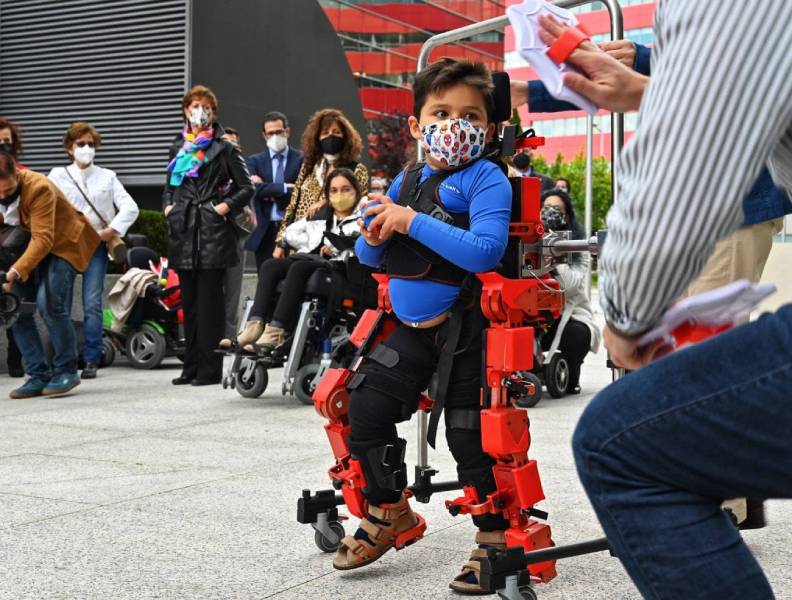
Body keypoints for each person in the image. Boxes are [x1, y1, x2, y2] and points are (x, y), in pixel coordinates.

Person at [533, 7, 792, 599]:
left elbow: (701, 137)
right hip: (727, 212)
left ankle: (715, 501)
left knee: (626, 442)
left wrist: (625, 311)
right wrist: (653, 77)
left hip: (726, 218)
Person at [328, 58, 513, 596]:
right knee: (364, 409)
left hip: (467, 328)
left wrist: (408, 220)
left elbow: (485, 251)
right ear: (416, 124)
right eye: (441, 112)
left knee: (469, 434)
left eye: (471, 115)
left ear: (491, 126)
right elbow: (368, 256)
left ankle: (496, 539)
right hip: (409, 327)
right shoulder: (407, 178)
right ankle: (390, 512)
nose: (456, 124)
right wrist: (374, 224)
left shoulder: (485, 178)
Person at [162, 85, 254, 386]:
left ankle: (209, 369)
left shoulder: (224, 147)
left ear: (213, 112)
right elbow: (170, 185)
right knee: (188, 305)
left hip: (213, 231)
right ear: (185, 111)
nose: (199, 111)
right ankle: (189, 367)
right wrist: (167, 208)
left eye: (205, 106)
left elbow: (246, 187)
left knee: (210, 305)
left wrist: (223, 207)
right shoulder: (179, 146)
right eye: (193, 106)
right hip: (184, 230)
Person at [220, 167, 363, 353]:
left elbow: (361, 242)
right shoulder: (319, 213)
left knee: (299, 267)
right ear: (327, 194)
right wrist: (310, 243)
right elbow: (290, 233)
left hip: (340, 265)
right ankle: (254, 326)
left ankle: (277, 330)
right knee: (270, 265)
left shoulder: (361, 216)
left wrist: (334, 247)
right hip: (312, 257)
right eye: (334, 190)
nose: (340, 195)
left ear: (356, 191)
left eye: (346, 189)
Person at [0, 151, 100, 398]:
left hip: (62, 243)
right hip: (25, 246)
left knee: (50, 304)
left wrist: (12, 274)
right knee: (16, 310)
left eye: (7, 190)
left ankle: (66, 370)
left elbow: (43, 239)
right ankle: (37, 375)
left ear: (17, 175)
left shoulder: (38, 187)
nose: (3, 196)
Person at [48, 122, 139, 379]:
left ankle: (91, 358)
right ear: (69, 148)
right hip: (66, 247)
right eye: (81, 144)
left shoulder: (107, 176)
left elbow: (130, 207)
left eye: (90, 144)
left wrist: (110, 231)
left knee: (91, 304)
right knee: (60, 304)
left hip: (96, 246)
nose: (87, 148)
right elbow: (47, 209)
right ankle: (63, 359)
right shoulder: (56, 176)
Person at [274, 108, 368, 258]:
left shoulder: (356, 169)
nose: (330, 136)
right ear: (317, 138)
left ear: (346, 137)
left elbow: (357, 207)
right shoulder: (309, 166)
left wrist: (325, 202)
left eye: (336, 132)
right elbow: (293, 204)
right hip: (298, 240)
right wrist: (280, 242)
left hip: (328, 246)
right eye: (325, 133)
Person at [540, 189, 600, 394]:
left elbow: (570, 285)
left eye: (556, 209)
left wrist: (552, 255)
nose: (550, 213)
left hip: (569, 314)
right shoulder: (529, 242)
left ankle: (570, 373)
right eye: (546, 208)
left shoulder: (578, 248)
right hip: (537, 314)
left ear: (566, 216)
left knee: (577, 334)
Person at [245, 112, 304, 271]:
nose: (275, 136)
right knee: (265, 283)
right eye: (270, 133)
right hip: (265, 232)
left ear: (287, 132)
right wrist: (285, 187)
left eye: (279, 132)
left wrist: (267, 189)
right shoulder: (254, 161)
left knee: (291, 284)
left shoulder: (302, 159)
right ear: (264, 135)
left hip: (293, 229)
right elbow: (253, 189)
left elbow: (302, 192)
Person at [218, 127, 252, 340]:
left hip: (236, 236)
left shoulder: (242, 175)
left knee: (233, 290)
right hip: (210, 239)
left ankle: (228, 336)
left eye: (234, 143)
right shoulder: (206, 172)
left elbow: (251, 207)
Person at [0, 117, 26, 377]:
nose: (2, 146)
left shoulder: (24, 173)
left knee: (13, 302)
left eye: (6, 141)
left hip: (14, 246)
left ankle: (15, 361)